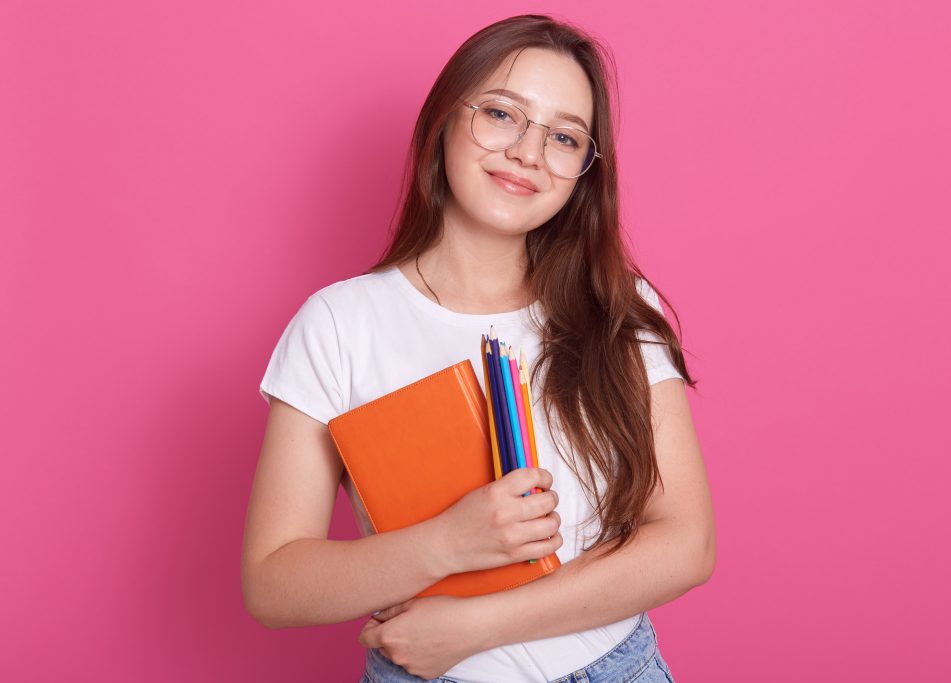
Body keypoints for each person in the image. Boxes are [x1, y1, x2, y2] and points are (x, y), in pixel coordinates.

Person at [242, 13, 715, 683]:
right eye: (501, 114)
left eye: (563, 137)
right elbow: (273, 582)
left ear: (583, 170)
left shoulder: (616, 305)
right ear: (443, 120)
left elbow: (686, 544)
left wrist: (474, 626)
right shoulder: (338, 324)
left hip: (615, 667)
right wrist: (447, 543)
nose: (528, 152)